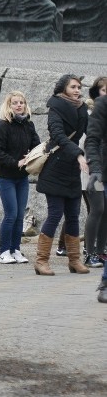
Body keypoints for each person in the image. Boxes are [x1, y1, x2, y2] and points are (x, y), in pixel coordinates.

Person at [34, 74, 90, 275]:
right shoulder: (55, 107)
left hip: (72, 169)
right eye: (73, 87)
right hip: (56, 167)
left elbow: (91, 132)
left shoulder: (82, 108)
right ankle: (41, 261)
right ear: (63, 89)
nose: (77, 90)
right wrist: (78, 154)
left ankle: (74, 260)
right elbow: (57, 135)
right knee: (55, 214)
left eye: (79, 87)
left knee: (74, 216)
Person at [0, 91, 41, 264]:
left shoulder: (28, 125)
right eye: (15, 103)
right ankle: (3, 251)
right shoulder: (2, 125)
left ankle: (15, 249)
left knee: (20, 215)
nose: (19, 105)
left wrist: (32, 156)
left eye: (22, 102)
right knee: (11, 214)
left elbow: (36, 146)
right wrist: (15, 162)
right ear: (8, 106)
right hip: (6, 176)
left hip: (22, 177)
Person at [83, 78, 107, 268]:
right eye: (104, 90)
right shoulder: (97, 109)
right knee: (97, 208)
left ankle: (101, 251)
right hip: (95, 170)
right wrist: (96, 169)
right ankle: (90, 253)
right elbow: (91, 141)